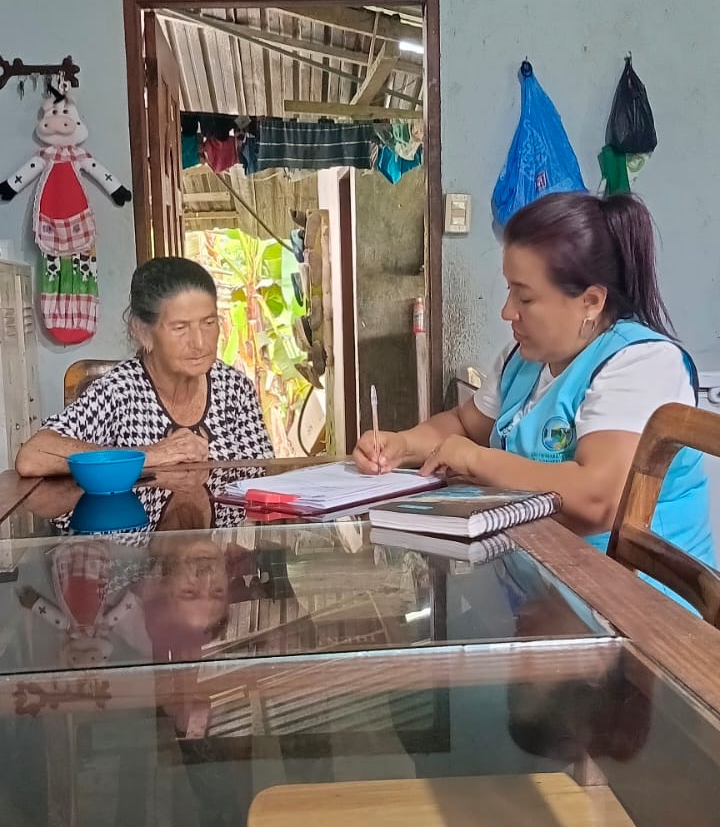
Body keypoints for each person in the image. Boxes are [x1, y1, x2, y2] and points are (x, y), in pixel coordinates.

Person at [354, 193, 714, 562]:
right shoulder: (524, 359)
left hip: (625, 589)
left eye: (524, 298)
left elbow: (597, 500)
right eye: (509, 290)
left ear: (591, 301)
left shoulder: (643, 364)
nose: (507, 311)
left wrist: (477, 461)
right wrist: (402, 445)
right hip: (541, 568)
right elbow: (464, 424)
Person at [16, 256, 273, 476]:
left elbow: (265, 471)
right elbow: (33, 456)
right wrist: (149, 455)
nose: (199, 343)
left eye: (208, 323)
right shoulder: (120, 391)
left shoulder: (234, 389)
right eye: (180, 328)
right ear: (143, 332)